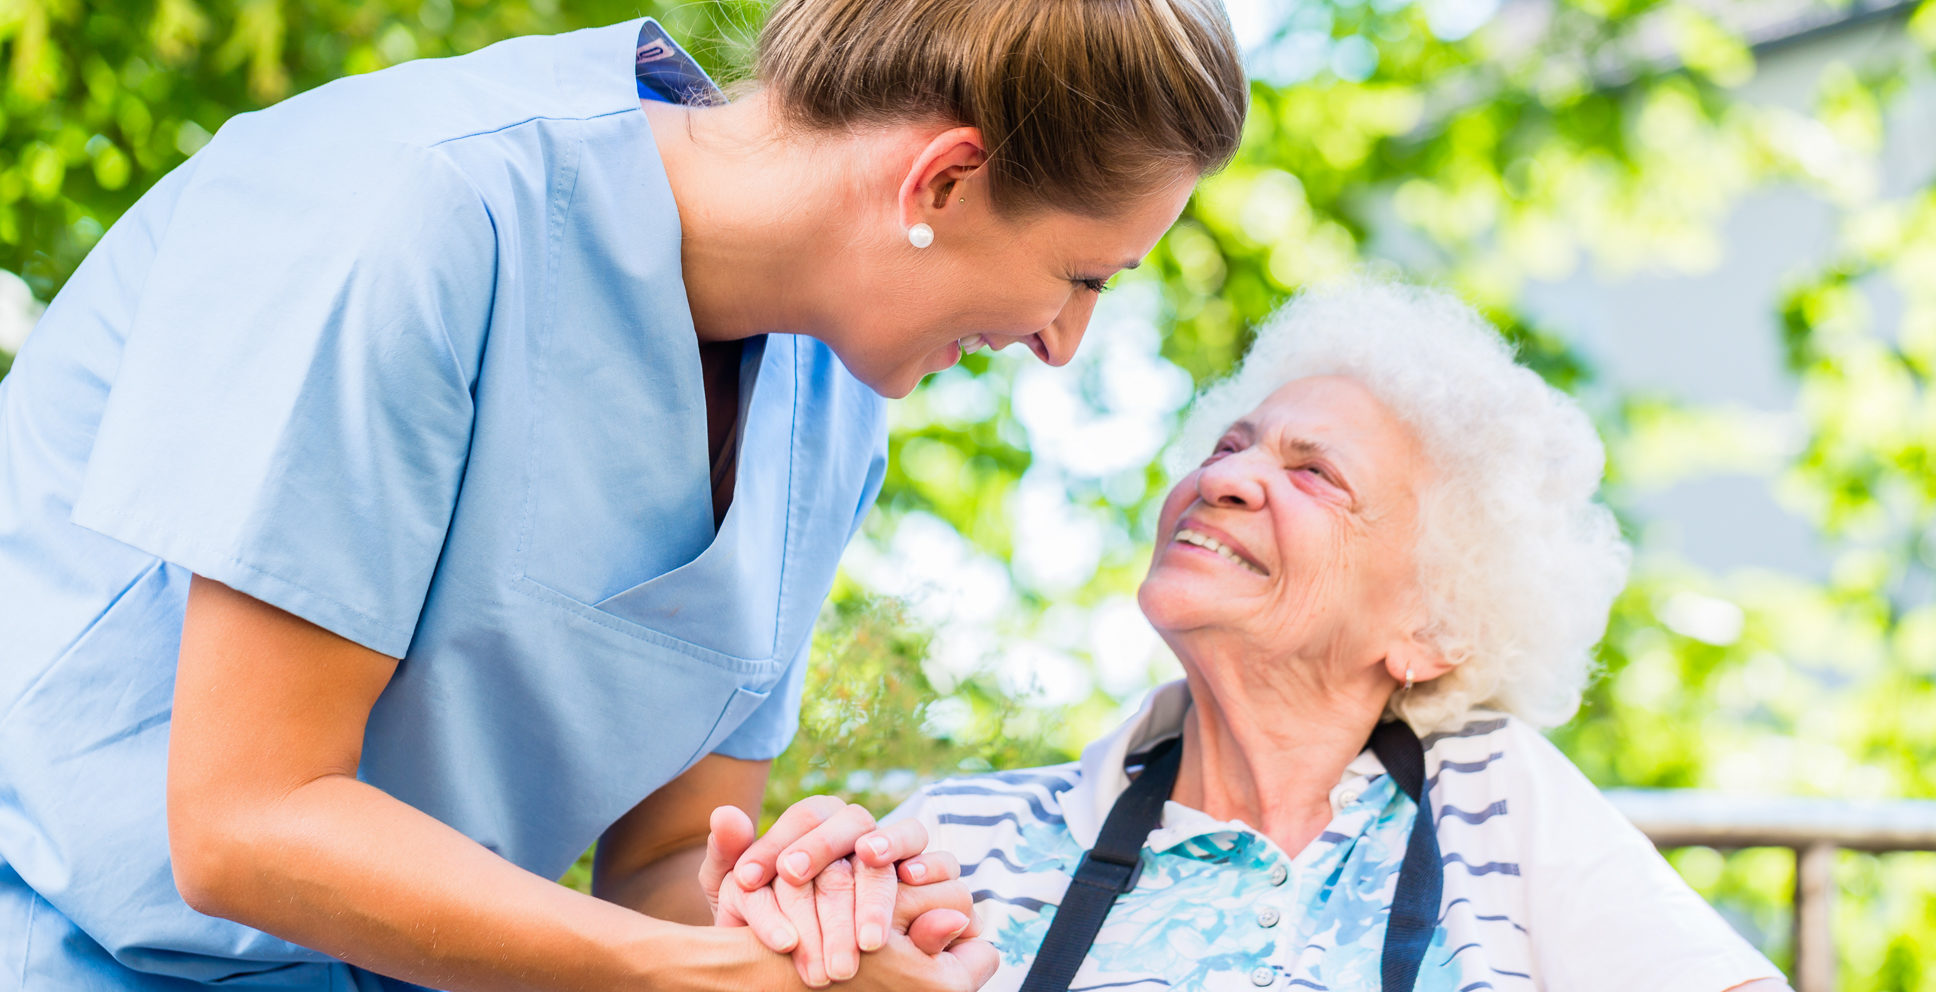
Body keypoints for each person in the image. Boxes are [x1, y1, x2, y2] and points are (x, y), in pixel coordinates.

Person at [0, 1, 1248, 989]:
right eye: (1082, 276)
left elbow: (655, 863)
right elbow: (245, 823)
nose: (1063, 341)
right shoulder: (414, 208)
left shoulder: (833, 407)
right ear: (940, 182)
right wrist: (701, 974)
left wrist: (808, 924)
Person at [884, 282, 1795, 992]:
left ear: (1431, 628)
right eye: (1227, 447)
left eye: (1315, 475)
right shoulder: (962, 839)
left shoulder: (1491, 800)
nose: (1229, 478)